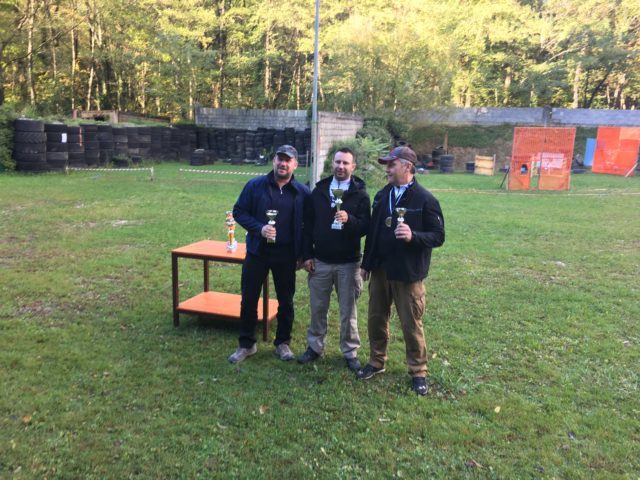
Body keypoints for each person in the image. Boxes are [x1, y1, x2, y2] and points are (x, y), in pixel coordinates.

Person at [357, 146, 445, 396]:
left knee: (410, 323)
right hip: (380, 270)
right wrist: (366, 264)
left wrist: (413, 236)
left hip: (408, 273)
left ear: (407, 167)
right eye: (386, 164)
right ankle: (376, 361)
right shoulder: (382, 195)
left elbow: (438, 236)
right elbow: (373, 232)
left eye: (391, 164)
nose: (387, 169)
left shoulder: (425, 199)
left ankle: (418, 371)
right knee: (376, 318)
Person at [228, 145, 311, 364]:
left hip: (286, 254)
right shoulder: (255, 186)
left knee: (286, 300)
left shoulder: (302, 192)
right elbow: (239, 211)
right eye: (279, 159)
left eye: (288, 160)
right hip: (258, 251)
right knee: (249, 298)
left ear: (295, 165)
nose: (283, 163)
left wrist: (305, 254)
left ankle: (282, 342)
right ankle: (247, 344)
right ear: (273, 161)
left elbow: (309, 225)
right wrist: (259, 228)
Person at [298, 147, 371, 371]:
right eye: (338, 162)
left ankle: (350, 351)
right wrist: (307, 255)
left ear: (353, 167)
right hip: (320, 261)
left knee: (348, 311)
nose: (341, 166)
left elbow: (366, 227)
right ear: (333, 163)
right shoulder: (319, 191)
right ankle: (315, 347)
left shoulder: (360, 194)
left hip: (348, 263)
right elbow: (307, 226)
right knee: (318, 308)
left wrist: (350, 220)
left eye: (345, 163)